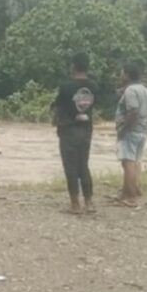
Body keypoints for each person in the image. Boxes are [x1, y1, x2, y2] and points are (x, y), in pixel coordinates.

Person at [52, 53, 98, 214]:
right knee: (83, 165)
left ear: (73, 65)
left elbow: (58, 108)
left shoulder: (66, 87)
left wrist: (56, 123)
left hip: (69, 130)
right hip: (86, 130)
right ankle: (89, 202)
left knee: (71, 167)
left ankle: (75, 204)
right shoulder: (93, 86)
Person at [113, 62, 147, 208]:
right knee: (135, 161)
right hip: (142, 131)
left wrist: (124, 129)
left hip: (131, 131)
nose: (120, 76)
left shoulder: (131, 90)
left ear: (127, 74)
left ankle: (131, 198)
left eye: (121, 73)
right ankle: (129, 193)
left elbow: (133, 111)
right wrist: (145, 123)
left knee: (128, 162)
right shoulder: (145, 90)